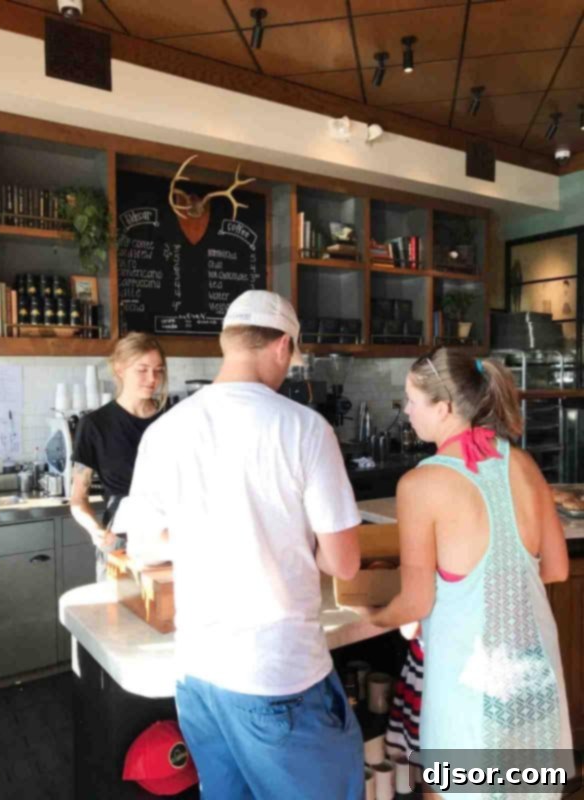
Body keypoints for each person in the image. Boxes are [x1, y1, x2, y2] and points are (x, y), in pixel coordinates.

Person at [127, 290, 365, 800]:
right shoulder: (304, 429)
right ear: (282, 346)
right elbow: (344, 562)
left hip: (198, 675)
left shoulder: (165, 431)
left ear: (226, 342)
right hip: (278, 676)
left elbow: (144, 546)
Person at [358, 348, 571, 780]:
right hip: (535, 675)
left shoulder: (421, 483)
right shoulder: (524, 464)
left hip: (471, 685)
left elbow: (415, 603)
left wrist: (368, 617)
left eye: (412, 401)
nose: (407, 411)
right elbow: (557, 570)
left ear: (445, 407)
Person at [70, 332, 167, 580]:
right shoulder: (94, 425)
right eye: (142, 370)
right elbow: (78, 499)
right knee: (118, 616)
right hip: (120, 542)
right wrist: (96, 531)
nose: (152, 379)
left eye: (158, 370)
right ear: (120, 369)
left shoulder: (173, 419)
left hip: (169, 539)